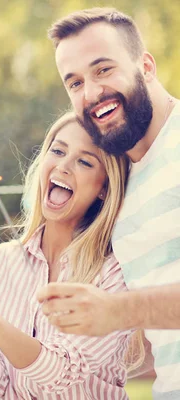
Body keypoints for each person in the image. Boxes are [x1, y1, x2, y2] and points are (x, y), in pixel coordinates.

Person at [39, 8, 180, 398]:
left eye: (103, 70)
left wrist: (119, 311)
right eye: (74, 82)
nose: (91, 93)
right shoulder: (119, 188)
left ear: (146, 66)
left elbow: (132, 310)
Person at [0, 113, 132, 399]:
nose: (63, 166)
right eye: (58, 151)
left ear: (104, 187)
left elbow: (61, 374)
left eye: (84, 161)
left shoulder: (114, 273)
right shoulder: (4, 260)